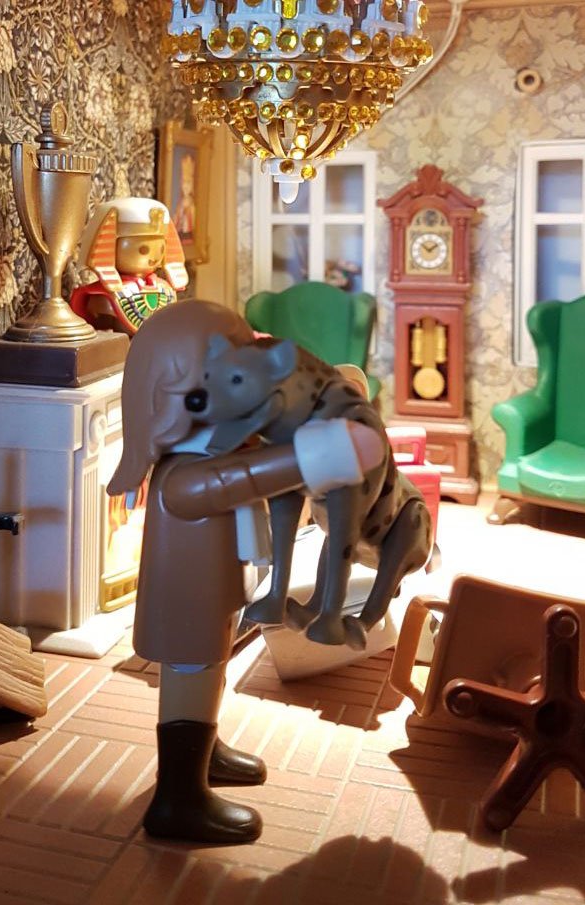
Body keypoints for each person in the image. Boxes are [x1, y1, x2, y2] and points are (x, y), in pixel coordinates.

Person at [107, 300, 385, 844]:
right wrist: (319, 454)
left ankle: (202, 750)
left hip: (216, 592)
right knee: (193, 672)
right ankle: (178, 798)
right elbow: (250, 477)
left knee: (212, 668)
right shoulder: (184, 478)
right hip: (191, 602)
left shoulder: (211, 450)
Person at [70, 197, 188, 334]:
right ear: (111, 247)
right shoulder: (102, 297)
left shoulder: (165, 289)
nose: (154, 257)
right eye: (143, 250)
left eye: (161, 249)